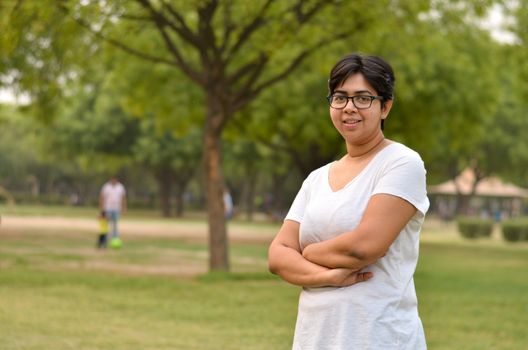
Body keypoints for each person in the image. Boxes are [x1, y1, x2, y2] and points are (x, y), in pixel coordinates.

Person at [268, 53, 429, 349]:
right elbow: (278, 257)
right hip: (315, 337)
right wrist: (330, 278)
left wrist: (308, 251)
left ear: (385, 107)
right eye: (340, 97)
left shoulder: (401, 163)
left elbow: (364, 248)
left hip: (377, 335)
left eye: (363, 98)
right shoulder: (317, 178)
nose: (349, 108)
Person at [99, 176, 127, 248]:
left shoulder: (120, 187)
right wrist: (102, 208)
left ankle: (115, 238)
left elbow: (123, 197)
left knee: (115, 224)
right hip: (108, 208)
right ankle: (106, 238)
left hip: (117, 208)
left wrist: (123, 207)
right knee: (106, 225)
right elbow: (102, 197)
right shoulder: (106, 187)